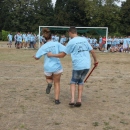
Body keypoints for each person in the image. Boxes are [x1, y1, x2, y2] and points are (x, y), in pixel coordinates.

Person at [47, 26, 98, 107]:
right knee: (80, 81)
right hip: (87, 65)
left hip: (78, 65)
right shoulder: (84, 39)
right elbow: (92, 51)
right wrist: (95, 61)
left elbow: (62, 55)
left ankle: (72, 99)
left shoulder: (71, 42)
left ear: (70, 32)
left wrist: (51, 55)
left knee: (73, 82)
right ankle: (79, 99)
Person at [33, 28, 66, 105]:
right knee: (57, 83)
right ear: (52, 37)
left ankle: (49, 83)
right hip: (57, 66)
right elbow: (66, 50)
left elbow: (37, 57)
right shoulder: (57, 44)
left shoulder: (43, 46)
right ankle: (57, 100)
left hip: (47, 67)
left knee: (48, 78)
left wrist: (34, 56)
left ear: (44, 38)